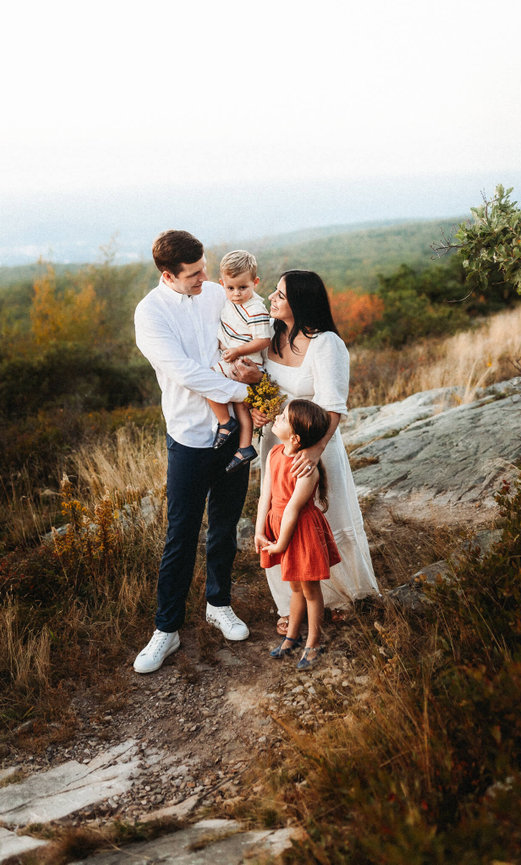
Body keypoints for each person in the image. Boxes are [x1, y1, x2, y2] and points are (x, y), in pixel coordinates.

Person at [132, 230, 261, 674]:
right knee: (180, 535)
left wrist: (256, 380)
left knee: (224, 528)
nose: (206, 279)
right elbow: (184, 372)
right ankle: (165, 631)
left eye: (204, 268)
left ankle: (218, 604)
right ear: (168, 274)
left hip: (234, 434)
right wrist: (242, 396)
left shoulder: (212, 294)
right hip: (189, 437)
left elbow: (247, 330)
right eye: (194, 274)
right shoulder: (150, 314)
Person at [234, 270, 379, 635]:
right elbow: (273, 389)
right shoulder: (272, 336)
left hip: (317, 444)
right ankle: (290, 604)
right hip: (278, 443)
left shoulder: (326, 343)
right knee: (282, 516)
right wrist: (259, 405)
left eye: (280, 294)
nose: (271, 298)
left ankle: (342, 596)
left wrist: (314, 451)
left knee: (324, 518)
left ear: (300, 301)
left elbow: (333, 407)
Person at [255, 400, 341, 670]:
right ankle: (292, 635)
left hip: (301, 531)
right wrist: (259, 531)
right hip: (278, 526)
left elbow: (293, 509)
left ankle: (314, 642)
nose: (276, 418)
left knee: (310, 589)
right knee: (294, 585)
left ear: (295, 437)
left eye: (283, 417)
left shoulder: (307, 469)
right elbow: (265, 496)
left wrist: (281, 543)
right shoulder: (274, 454)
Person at [207, 250, 272, 473]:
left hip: (245, 362)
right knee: (240, 404)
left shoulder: (256, 309)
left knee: (208, 382)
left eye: (243, 287)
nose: (236, 293)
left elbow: (263, 340)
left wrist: (236, 351)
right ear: (222, 284)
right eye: (230, 288)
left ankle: (225, 422)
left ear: (255, 282)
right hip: (236, 357)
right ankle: (245, 447)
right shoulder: (230, 302)